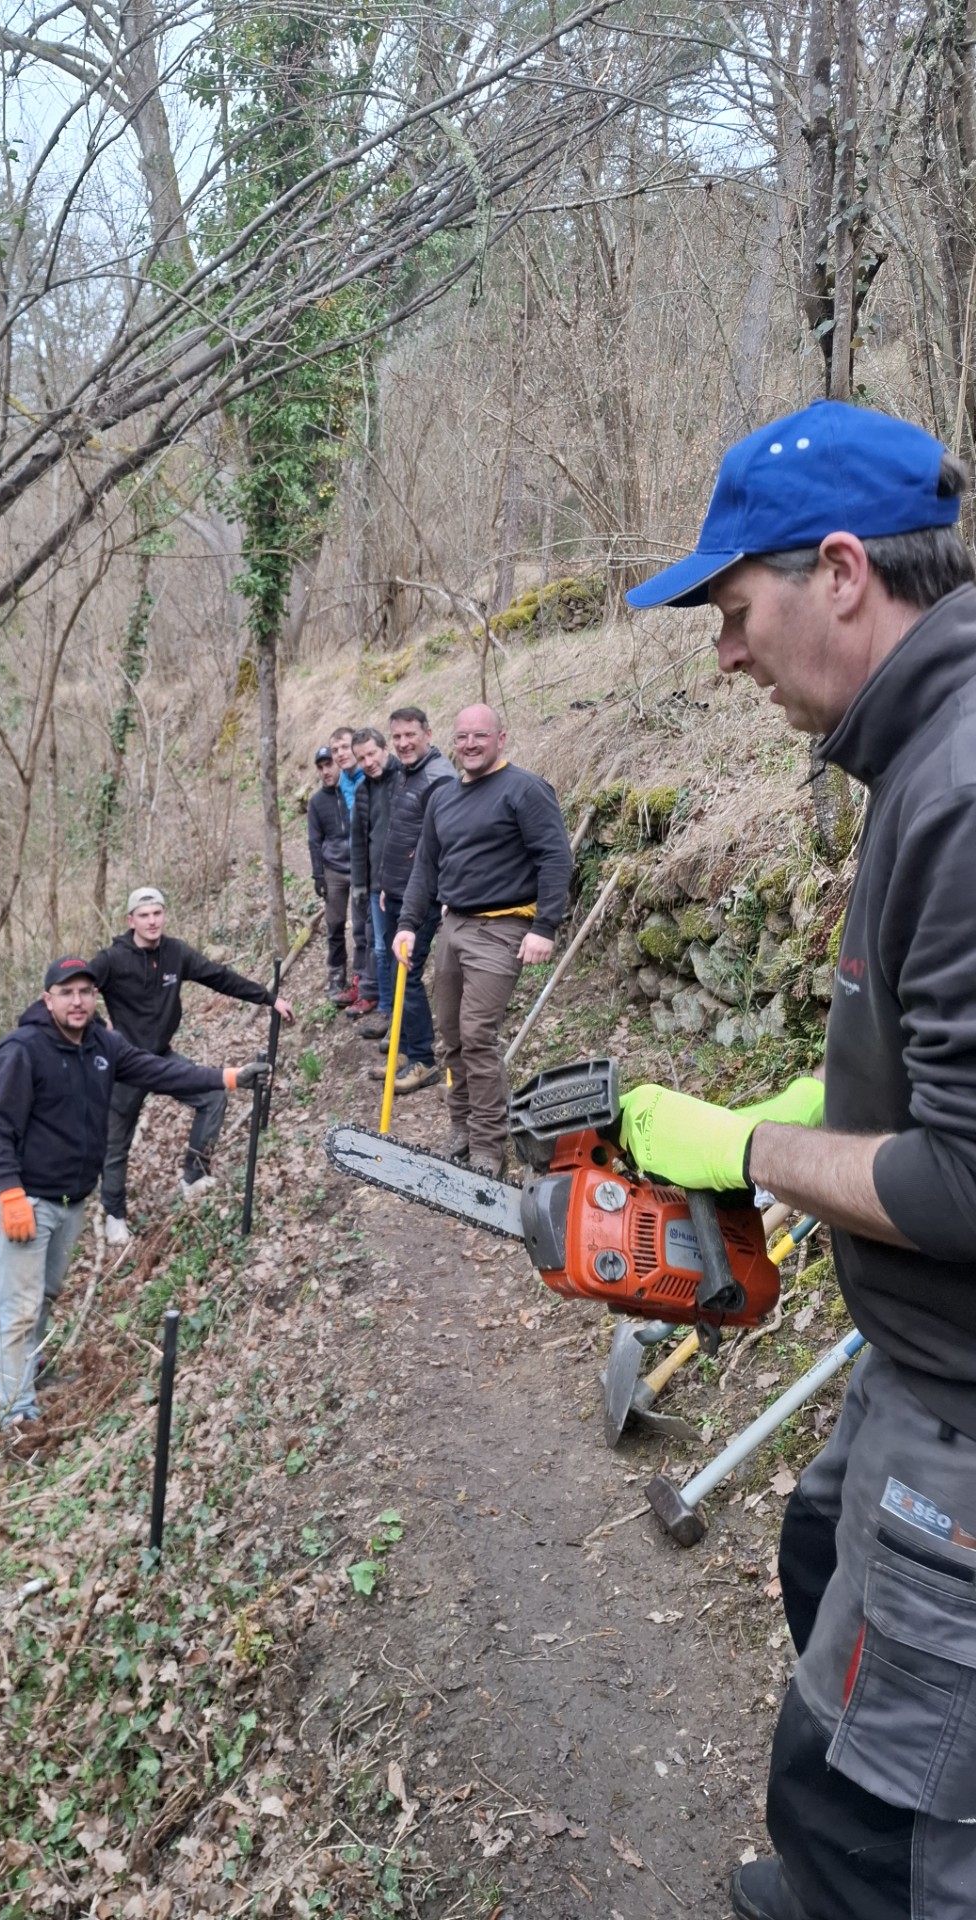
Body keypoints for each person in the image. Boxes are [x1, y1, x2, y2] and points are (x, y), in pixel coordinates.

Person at [620, 399, 976, 1920]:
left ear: (841, 572)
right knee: (814, 1552)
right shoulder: (919, 755)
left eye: (734, 607)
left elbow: (966, 1183)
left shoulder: (962, 788)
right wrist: (826, 1092)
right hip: (911, 1373)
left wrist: (751, 1143)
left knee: (871, 1828)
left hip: (962, 1425)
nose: (726, 651)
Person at [0, 955, 269, 1433]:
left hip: (72, 1200)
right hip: (26, 1200)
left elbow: (159, 1072)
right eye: (67, 992)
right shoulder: (23, 1049)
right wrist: (9, 1191)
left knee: (46, 1295)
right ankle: (16, 1414)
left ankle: (28, 1375)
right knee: (20, 1307)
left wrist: (228, 1077)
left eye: (85, 992)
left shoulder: (103, 1044)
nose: (77, 1001)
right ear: (47, 999)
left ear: (95, 998)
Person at [395, 703, 571, 1173]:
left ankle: (489, 1147)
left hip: (504, 927)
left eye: (480, 736)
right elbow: (425, 869)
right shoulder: (443, 796)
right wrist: (409, 924)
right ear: (452, 742)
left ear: (501, 738)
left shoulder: (524, 789)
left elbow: (556, 859)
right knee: (450, 1037)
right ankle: (463, 1125)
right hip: (454, 926)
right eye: (462, 737)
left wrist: (544, 927)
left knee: (476, 1034)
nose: (470, 745)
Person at [88, 887, 293, 1245]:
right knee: (116, 1141)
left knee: (214, 1096)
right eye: (145, 914)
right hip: (124, 1064)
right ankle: (114, 1215)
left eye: (158, 913)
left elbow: (219, 976)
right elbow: (77, 989)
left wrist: (269, 998)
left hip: (162, 1057)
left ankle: (194, 1177)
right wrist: (96, 1025)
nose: (152, 921)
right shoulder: (112, 959)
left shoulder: (175, 953)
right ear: (130, 920)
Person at [376, 706, 455, 1094]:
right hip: (396, 893)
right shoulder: (406, 774)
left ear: (427, 732)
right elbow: (399, 835)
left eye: (410, 735)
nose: (403, 743)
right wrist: (385, 886)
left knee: (407, 976)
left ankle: (423, 1060)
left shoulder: (439, 779)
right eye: (397, 737)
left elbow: (432, 851)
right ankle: (407, 1050)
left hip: (420, 898)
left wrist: (415, 898)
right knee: (395, 974)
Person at [349, 727, 399, 1039]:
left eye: (371, 753)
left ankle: (404, 1018)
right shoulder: (363, 790)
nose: (367, 762)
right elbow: (358, 842)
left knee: (402, 950)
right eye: (361, 758)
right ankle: (388, 1011)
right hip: (377, 884)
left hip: (406, 882)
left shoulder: (404, 778)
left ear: (384, 748)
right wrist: (360, 884)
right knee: (381, 948)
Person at [307, 745, 356, 1002]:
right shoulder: (316, 802)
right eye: (321, 767)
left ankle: (362, 977)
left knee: (363, 926)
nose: (326, 771)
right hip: (334, 869)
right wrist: (318, 875)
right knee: (335, 925)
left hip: (360, 866)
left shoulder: (355, 790)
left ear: (338, 763)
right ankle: (336, 977)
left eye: (329, 765)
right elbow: (314, 841)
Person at [329, 726, 372, 1007]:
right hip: (355, 863)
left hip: (374, 862)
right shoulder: (342, 782)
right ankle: (361, 983)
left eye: (345, 747)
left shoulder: (368, 777)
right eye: (335, 750)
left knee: (372, 931)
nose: (341, 754)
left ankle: (373, 990)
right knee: (358, 928)